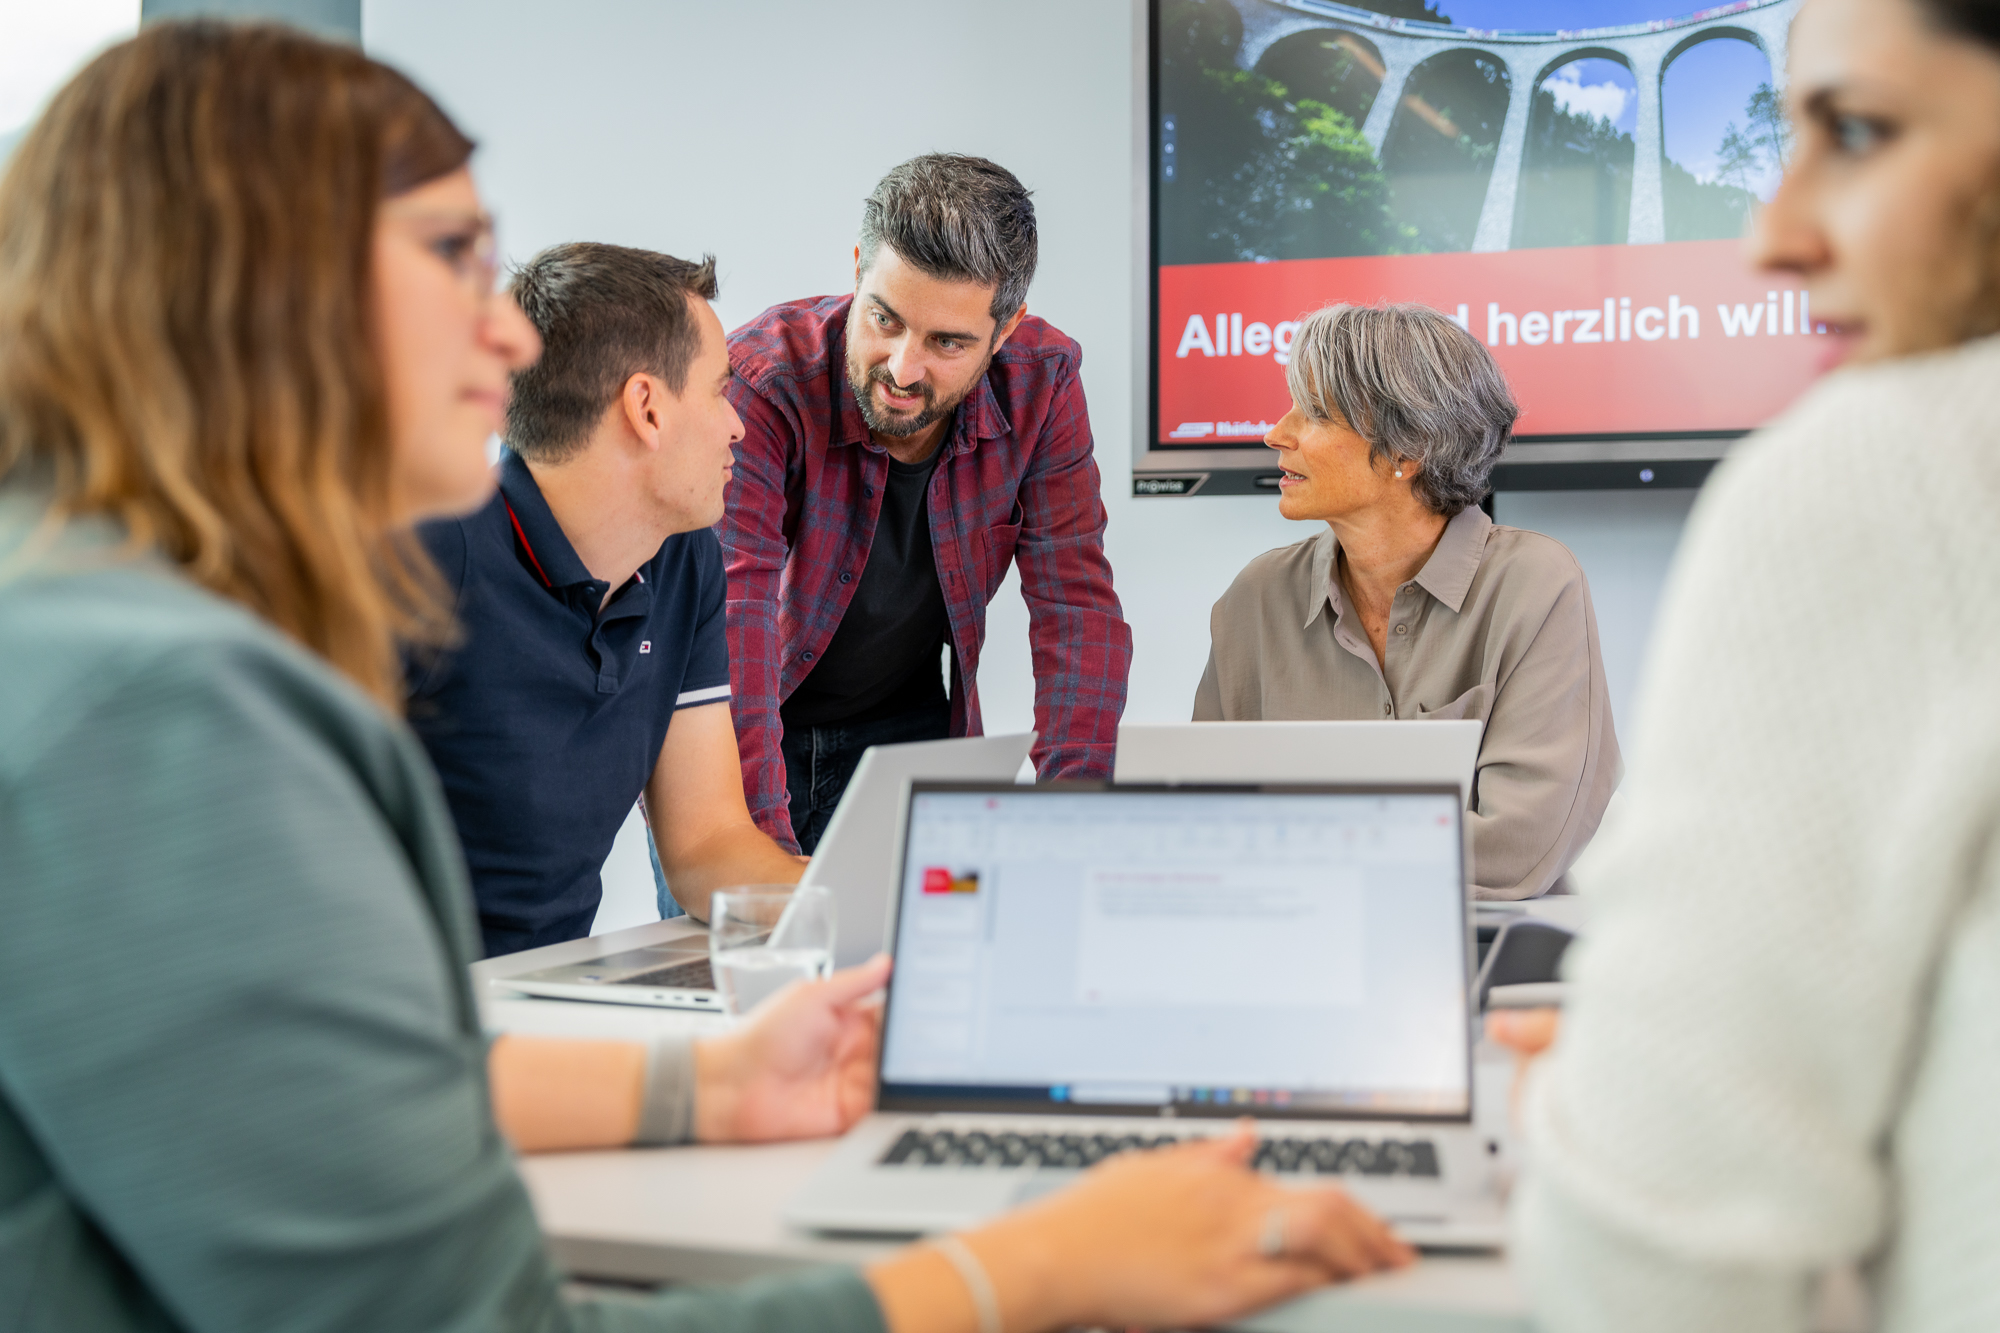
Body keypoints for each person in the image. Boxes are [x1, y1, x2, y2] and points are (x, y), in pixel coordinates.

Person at [0, 22, 1414, 1332]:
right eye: (453, 256)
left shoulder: (126, 639)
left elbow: (332, 1097)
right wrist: (1031, 1265)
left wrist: (715, 1081)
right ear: (248, 291)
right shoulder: (153, 716)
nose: (511, 336)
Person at [1489, 0, 2000, 1326]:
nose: (1775, 233)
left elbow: (1658, 1273)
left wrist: (1580, 1118)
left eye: (1862, 129)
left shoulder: (1892, 468)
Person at [722, 153, 1131, 853]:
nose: (903, 369)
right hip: (745, 734)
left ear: (1005, 331)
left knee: (931, 958)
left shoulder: (1043, 383)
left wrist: (1071, 821)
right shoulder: (762, 384)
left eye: (948, 342)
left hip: (906, 739)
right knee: (752, 956)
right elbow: (732, 624)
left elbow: (1076, 610)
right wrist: (764, 866)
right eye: (884, 319)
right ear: (858, 269)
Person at [407, 242, 802, 952]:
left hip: (554, 994)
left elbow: (706, 845)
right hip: (405, 1016)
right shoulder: (427, 556)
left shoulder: (686, 560)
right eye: (719, 390)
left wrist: (865, 904)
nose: (737, 424)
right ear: (647, 408)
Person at [1194, 303, 1619, 899]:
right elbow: (1200, 826)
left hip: (1478, 958)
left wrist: (1286, 837)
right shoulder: (1255, 597)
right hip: (1289, 948)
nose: (1276, 433)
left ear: (1408, 448)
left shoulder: (1536, 584)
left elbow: (1515, 852)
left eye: (1314, 412)